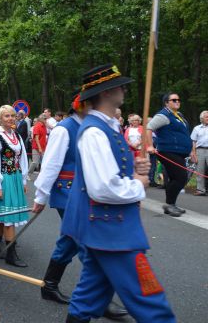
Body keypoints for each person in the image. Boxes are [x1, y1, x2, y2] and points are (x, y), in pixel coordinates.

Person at [62, 64, 175, 323]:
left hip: (108, 228)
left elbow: (112, 169)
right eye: (118, 85)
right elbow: (102, 187)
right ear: (104, 93)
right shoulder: (93, 132)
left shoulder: (108, 126)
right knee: (150, 301)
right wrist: (137, 185)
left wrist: (136, 167)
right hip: (111, 231)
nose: (124, 88)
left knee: (89, 297)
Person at [32, 93, 127, 320]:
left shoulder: (92, 128)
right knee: (88, 242)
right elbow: (50, 164)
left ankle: (49, 285)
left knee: (70, 240)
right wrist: (41, 196)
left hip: (83, 192)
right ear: (81, 107)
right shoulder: (64, 129)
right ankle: (99, 298)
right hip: (67, 192)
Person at [0, 105, 29, 267]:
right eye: (7, 116)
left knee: (3, 218)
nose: (10, 118)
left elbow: (22, 160)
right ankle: (10, 254)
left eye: (12, 115)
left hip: (14, 178)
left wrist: (23, 180)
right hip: (3, 180)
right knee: (9, 218)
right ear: (0, 119)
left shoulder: (16, 136)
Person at [146, 93, 193, 217]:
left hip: (178, 152)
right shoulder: (163, 115)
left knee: (175, 178)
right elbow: (148, 128)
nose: (177, 101)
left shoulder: (179, 115)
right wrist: (150, 146)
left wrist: (191, 150)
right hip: (167, 151)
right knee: (181, 177)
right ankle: (169, 204)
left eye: (178, 99)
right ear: (167, 103)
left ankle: (171, 204)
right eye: (174, 100)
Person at [190, 110, 208, 196]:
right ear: (202, 118)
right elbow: (193, 141)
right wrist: (193, 153)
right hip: (200, 150)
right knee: (200, 170)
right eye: (206, 117)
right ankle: (201, 190)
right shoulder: (196, 128)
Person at [27, 114, 47, 179]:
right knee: (35, 162)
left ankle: (42, 176)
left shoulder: (44, 126)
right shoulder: (37, 126)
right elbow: (36, 138)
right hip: (36, 147)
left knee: (44, 161)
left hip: (43, 146)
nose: (46, 120)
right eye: (45, 119)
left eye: (46, 118)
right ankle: (28, 174)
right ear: (41, 119)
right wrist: (40, 148)